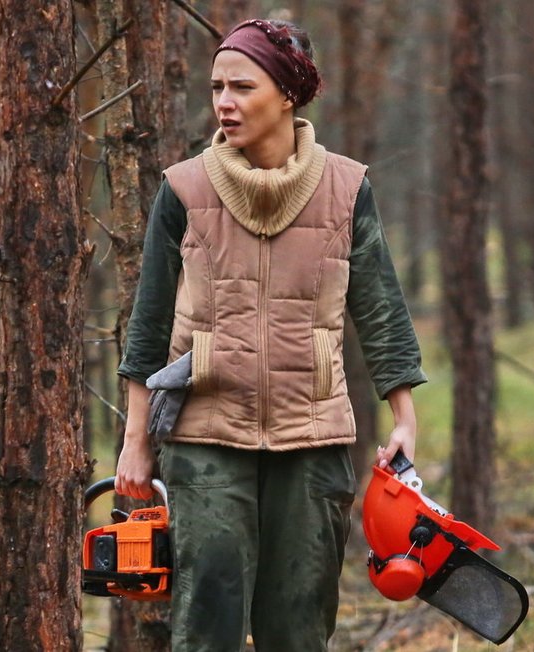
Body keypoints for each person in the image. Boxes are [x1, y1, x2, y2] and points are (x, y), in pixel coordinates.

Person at [115, 18, 427, 652]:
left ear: (287, 93)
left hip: (312, 436)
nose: (224, 103)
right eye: (215, 88)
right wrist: (135, 444)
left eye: (241, 87)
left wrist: (404, 420)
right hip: (204, 434)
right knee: (209, 620)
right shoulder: (184, 188)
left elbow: (381, 309)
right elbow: (148, 323)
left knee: (299, 625)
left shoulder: (346, 188)